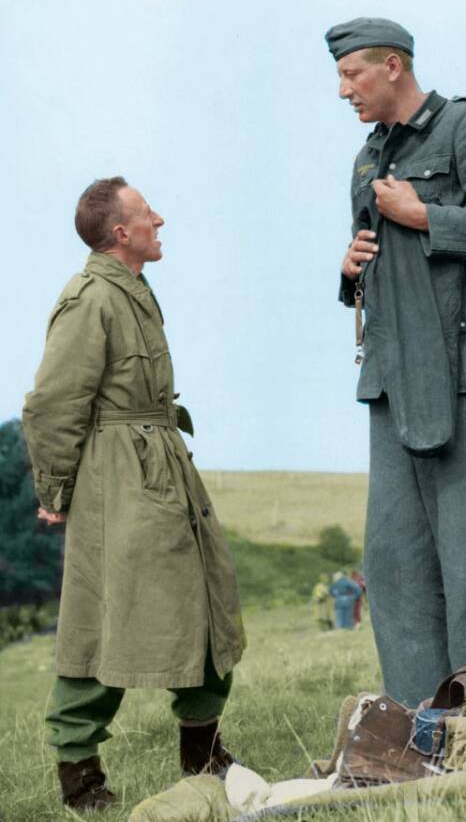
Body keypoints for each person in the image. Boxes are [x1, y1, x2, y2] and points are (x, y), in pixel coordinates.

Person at [324, 18, 466, 707]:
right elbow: (381, 263)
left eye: (351, 73)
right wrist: (350, 269)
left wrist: (428, 217)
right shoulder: (367, 158)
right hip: (392, 381)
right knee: (393, 566)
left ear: (392, 65)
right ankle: (424, 726)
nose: (341, 90)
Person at [22, 177, 246, 810]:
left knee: (206, 607)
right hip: (117, 483)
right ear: (121, 232)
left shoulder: (134, 290)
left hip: (163, 467)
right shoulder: (90, 298)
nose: (161, 220)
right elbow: (51, 406)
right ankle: (79, 774)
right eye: (149, 214)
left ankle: (203, 755)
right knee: (103, 622)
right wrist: (56, 491)